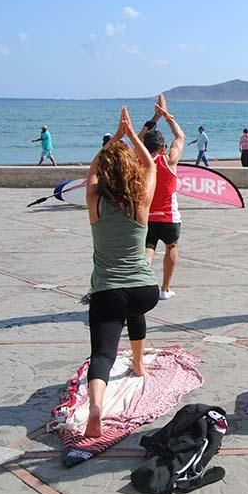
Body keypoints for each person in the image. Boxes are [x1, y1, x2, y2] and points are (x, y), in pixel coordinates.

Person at [82, 106, 159, 438]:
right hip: (145, 290)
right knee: (134, 309)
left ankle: (96, 408)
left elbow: (93, 170)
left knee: (102, 353)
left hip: (107, 291)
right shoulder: (140, 199)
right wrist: (131, 136)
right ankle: (139, 364)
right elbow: (152, 164)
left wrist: (114, 139)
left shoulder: (95, 200)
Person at [141, 94, 185, 301]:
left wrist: (155, 117)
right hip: (169, 216)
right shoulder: (170, 159)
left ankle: (141, 285)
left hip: (146, 215)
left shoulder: (139, 160)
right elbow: (181, 137)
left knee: (148, 251)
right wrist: (167, 117)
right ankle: (165, 289)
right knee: (171, 247)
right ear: (163, 147)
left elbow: (138, 137)